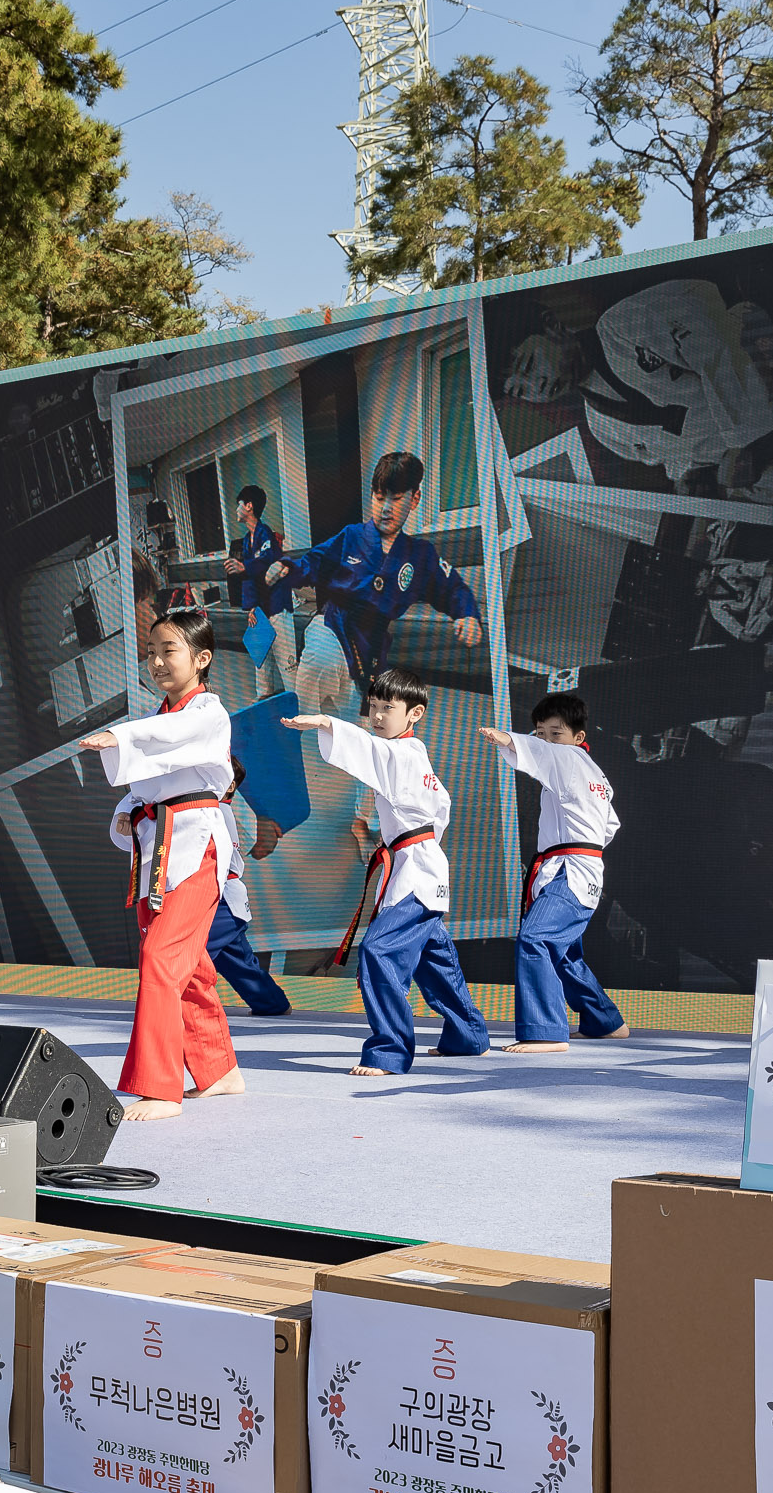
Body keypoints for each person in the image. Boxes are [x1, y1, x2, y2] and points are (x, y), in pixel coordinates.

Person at [80, 608, 245, 1120]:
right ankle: (219, 1070)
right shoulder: (162, 717)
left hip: (197, 848)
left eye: (167, 651)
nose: (155, 661)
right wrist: (128, 813)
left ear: (201, 659)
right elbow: (146, 789)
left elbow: (170, 745)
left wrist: (121, 738)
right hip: (161, 850)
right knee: (188, 967)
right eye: (150, 652)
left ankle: (160, 1087)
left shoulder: (207, 713)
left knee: (159, 959)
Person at [285, 666, 490, 1074]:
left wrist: (326, 721)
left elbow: (369, 750)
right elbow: (441, 813)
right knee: (435, 959)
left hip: (416, 870)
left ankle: (389, 1051)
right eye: (374, 707)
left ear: (415, 713)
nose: (377, 716)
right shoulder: (418, 757)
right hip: (419, 864)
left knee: (380, 951)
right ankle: (469, 1035)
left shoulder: (401, 754)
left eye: (388, 708)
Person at [266, 452, 484, 716]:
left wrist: (467, 614)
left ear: (414, 499)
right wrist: (287, 568)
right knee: (316, 670)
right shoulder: (352, 536)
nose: (386, 508)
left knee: (361, 725)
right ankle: (299, 730)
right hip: (333, 624)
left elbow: (452, 588)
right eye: (380, 498)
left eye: (396, 498)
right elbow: (313, 562)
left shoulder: (420, 555)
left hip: (371, 646)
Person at [477, 691, 629, 1052]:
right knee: (562, 951)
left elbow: (545, 755)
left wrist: (508, 738)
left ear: (579, 738)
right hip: (581, 866)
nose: (546, 741)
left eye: (555, 733)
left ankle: (545, 1031)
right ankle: (605, 1021)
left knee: (536, 939)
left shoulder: (569, 758)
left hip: (570, 870)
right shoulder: (598, 778)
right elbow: (611, 826)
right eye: (540, 733)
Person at [205, 756, 289, 1016]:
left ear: (230, 786)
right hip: (222, 899)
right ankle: (273, 1004)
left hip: (220, 899)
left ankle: (167, 1004)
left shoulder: (217, 811)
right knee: (238, 963)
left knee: (188, 951)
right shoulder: (216, 809)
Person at [223, 486, 294, 697]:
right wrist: (251, 607)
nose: (236, 510)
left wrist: (245, 567)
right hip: (261, 609)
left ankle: (299, 702)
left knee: (286, 661)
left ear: (249, 506)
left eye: (238, 505)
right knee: (260, 658)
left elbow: (268, 564)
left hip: (278, 606)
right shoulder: (246, 540)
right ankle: (263, 698)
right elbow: (249, 578)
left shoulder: (267, 536)